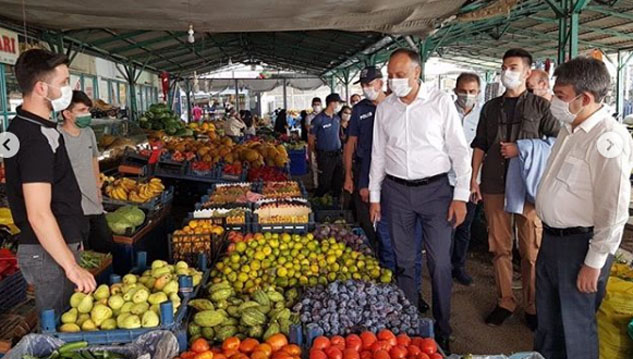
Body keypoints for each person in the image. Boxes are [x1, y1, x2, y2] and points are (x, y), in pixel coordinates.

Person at [369, 49, 472, 351]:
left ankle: (442, 327)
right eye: (391, 75)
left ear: (416, 73)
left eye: (400, 75)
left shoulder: (440, 103)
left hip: (436, 193)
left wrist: (461, 196)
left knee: (440, 263)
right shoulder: (386, 108)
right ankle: (410, 324)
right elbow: (378, 155)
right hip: (397, 192)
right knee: (405, 262)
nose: (394, 81)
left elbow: (459, 151)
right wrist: (375, 197)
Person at [534, 57, 633, 359]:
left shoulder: (607, 139)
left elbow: (613, 209)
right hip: (552, 241)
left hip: (579, 248)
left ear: (585, 98)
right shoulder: (569, 128)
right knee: (549, 325)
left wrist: (594, 261)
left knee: (575, 328)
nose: (553, 101)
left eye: (560, 96)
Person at [471, 48, 560, 330]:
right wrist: (473, 178)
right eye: (504, 66)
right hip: (495, 183)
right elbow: (480, 144)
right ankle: (505, 301)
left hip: (528, 188)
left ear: (527, 72)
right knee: (499, 247)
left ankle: (532, 305)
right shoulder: (490, 107)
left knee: (530, 250)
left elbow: (556, 145)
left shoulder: (541, 107)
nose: (506, 72)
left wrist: (523, 149)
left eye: (513, 67)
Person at [5, 49, 96, 316]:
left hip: (55, 246)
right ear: (42, 88)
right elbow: (39, 214)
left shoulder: (36, 127)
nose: (68, 89)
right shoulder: (33, 138)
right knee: (56, 328)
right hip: (47, 254)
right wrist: (71, 266)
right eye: (64, 82)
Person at [59, 91, 113, 254]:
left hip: (93, 203)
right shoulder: (57, 136)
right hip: (73, 208)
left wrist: (97, 188)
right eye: (81, 110)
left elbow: (93, 159)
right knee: (84, 253)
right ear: (67, 114)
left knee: (105, 246)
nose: (87, 114)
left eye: (87, 110)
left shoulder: (88, 132)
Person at [451, 72, 483, 286]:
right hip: (445, 180)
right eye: (463, 91)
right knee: (445, 227)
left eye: (472, 92)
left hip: (471, 182)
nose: (467, 95)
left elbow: (483, 150)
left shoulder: (483, 116)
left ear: (478, 93)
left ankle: (458, 267)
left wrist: (476, 181)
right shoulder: (446, 112)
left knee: (464, 227)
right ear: (455, 91)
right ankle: (442, 266)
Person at [309, 94, 345, 198]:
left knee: (337, 183)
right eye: (338, 103)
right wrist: (316, 154)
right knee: (324, 183)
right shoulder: (318, 119)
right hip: (325, 156)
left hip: (337, 154)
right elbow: (311, 140)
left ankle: (335, 206)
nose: (338, 105)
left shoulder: (337, 118)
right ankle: (317, 202)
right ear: (332, 103)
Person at [306, 98, 323, 187]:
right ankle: (316, 185)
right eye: (315, 104)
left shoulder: (325, 116)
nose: (317, 106)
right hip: (313, 143)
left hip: (323, 144)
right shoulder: (309, 117)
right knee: (314, 165)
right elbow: (309, 129)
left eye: (318, 104)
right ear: (312, 105)